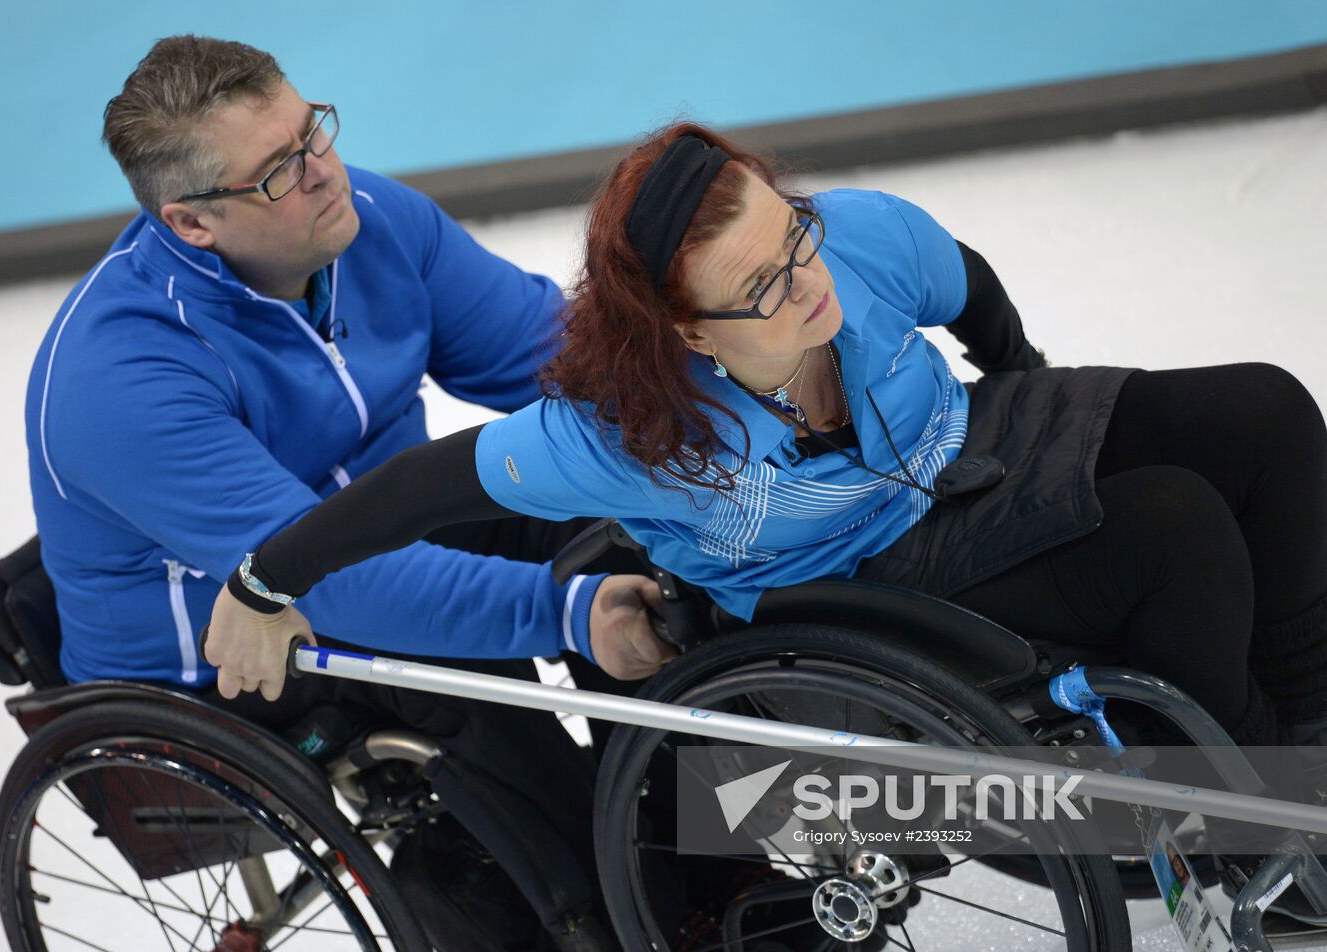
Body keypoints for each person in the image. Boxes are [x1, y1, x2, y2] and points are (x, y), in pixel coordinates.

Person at [205, 122, 1327, 917]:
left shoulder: (847, 242)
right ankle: (1247, 834)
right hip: (860, 571)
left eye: (789, 234)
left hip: (955, 439)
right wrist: (264, 583)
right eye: (760, 285)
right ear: (686, 333)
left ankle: (1304, 743)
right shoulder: (627, 430)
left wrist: (1028, 391)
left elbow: (966, 284)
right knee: (1172, 529)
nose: (805, 279)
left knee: (1262, 412)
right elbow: (423, 488)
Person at [24, 35, 665, 949]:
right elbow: (323, 579)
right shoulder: (119, 381)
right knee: (457, 665)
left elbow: (558, 358)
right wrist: (568, 614)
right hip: (222, 655)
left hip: (370, 541)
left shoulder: (365, 220)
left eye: (311, 131)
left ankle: (691, 823)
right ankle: (602, 910)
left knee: (621, 517)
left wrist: (704, 401)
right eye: (278, 171)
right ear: (193, 223)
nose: (324, 171)